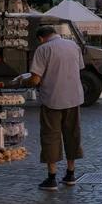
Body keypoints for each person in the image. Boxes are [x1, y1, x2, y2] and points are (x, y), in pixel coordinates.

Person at [26, 25, 85, 191]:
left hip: (52, 99)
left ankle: (52, 178)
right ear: (55, 33)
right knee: (72, 134)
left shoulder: (43, 49)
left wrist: (25, 81)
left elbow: (35, 79)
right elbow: (79, 69)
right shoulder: (74, 46)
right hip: (74, 98)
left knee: (50, 136)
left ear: (40, 38)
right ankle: (71, 173)